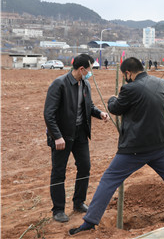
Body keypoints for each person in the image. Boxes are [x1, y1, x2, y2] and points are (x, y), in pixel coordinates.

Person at [68, 57, 164, 235]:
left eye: (124, 76)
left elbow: (115, 108)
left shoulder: (130, 89)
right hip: (161, 144)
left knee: (109, 179)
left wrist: (112, 99)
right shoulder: (161, 83)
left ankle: (89, 222)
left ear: (128, 73)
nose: (124, 78)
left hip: (135, 148)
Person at [43, 54, 110, 223]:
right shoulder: (59, 84)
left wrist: (99, 113)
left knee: (85, 167)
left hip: (80, 134)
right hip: (62, 136)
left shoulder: (85, 84)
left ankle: (79, 202)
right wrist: (57, 136)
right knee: (59, 172)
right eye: (90, 69)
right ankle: (58, 210)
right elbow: (49, 114)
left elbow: (89, 106)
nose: (91, 73)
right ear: (82, 69)